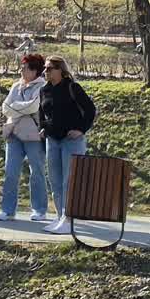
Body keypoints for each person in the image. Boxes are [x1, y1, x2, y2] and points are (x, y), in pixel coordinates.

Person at [39, 55, 97, 234]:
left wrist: (81, 129)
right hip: (52, 139)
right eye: (45, 68)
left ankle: (69, 218)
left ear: (60, 70)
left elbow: (90, 110)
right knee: (55, 180)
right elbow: (42, 111)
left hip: (71, 140)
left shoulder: (72, 87)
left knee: (69, 180)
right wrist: (43, 128)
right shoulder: (44, 90)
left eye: (49, 68)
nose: (45, 71)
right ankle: (59, 216)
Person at [0, 53, 48, 222]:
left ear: (34, 71)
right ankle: (8, 210)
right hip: (14, 134)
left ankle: (39, 209)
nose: (21, 70)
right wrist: (20, 107)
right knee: (10, 172)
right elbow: (5, 108)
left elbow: (34, 106)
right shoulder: (15, 86)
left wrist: (16, 107)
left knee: (37, 172)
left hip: (34, 135)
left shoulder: (43, 87)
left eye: (25, 67)